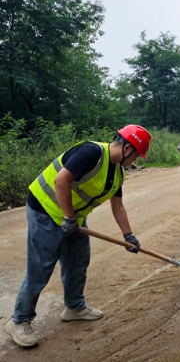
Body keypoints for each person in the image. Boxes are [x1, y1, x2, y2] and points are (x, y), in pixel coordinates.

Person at [6, 125, 151, 348]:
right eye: (136, 155)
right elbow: (60, 181)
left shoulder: (117, 173)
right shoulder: (91, 153)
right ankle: (19, 320)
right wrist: (69, 218)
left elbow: (118, 206)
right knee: (41, 267)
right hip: (45, 209)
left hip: (72, 216)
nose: (135, 161)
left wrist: (128, 235)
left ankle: (74, 307)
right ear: (128, 149)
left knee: (77, 261)